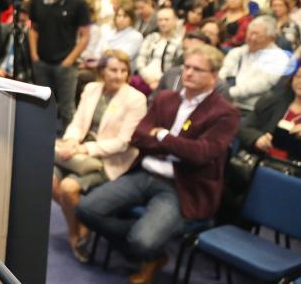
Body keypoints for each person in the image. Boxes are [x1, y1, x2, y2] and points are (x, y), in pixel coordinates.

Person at [76, 45, 240, 284]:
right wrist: (179, 145)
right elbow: (138, 136)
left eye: (197, 69)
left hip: (181, 186)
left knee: (142, 241)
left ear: (214, 76)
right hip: (145, 172)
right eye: (186, 67)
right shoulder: (166, 99)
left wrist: (162, 135)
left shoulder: (225, 113)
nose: (188, 73)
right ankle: (147, 245)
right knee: (86, 209)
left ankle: (148, 248)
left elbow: (202, 154)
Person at [53, 50, 146, 262]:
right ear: (102, 71)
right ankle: (81, 224)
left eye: (123, 70)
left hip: (110, 159)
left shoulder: (136, 99)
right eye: (113, 70)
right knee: (49, 180)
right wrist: (71, 140)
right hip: (80, 152)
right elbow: (78, 122)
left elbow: (123, 142)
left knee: (68, 187)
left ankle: (75, 234)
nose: (119, 75)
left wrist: (85, 149)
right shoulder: (92, 89)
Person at [30, 0, 92, 133]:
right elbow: (33, 29)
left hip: (66, 65)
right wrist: (34, 55)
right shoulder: (37, 0)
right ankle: (40, 137)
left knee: (67, 108)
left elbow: (85, 36)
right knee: (42, 105)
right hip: (42, 62)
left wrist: (69, 60)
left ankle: (68, 140)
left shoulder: (78, 3)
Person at [219, 15, 292, 112]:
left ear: (271, 38)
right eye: (250, 33)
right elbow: (223, 74)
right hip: (225, 103)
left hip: (251, 109)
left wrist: (229, 92)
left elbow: (263, 84)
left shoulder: (279, 58)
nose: (252, 38)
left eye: (258, 35)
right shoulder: (236, 52)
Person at [238, 69, 301, 161]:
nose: (300, 81)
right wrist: (257, 139)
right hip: (263, 160)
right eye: (298, 76)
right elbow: (244, 127)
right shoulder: (272, 101)